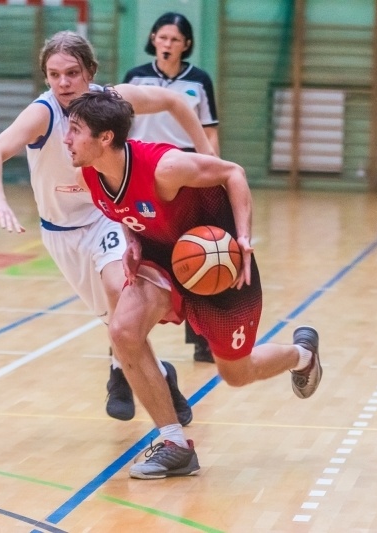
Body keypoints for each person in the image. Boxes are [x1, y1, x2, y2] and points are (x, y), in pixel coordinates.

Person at [64, 90, 322, 480]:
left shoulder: (164, 167)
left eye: (75, 130)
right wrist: (132, 239)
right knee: (123, 331)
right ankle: (174, 444)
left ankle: (302, 355)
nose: (66, 139)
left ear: (104, 139)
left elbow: (232, 172)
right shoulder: (90, 173)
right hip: (162, 261)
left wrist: (245, 239)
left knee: (236, 374)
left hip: (215, 265)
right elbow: (123, 206)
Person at [0, 31, 215, 426]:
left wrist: (205, 153)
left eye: (72, 73)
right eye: (54, 74)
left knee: (120, 289)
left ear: (91, 72)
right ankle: (155, 372)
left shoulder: (112, 100)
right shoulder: (43, 113)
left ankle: (126, 374)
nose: (63, 83)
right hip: (61, 231)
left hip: (108, 212)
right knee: (112, 318)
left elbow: (175, 100)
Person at [123, 12, 218, 363]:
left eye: (175, 39)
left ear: (186, 45)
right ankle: (128, 335)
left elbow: (209, 129)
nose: (168, 44)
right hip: (142, 173)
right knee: (142, 253)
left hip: (186, 171)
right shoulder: (136, 77)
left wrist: (213, 170)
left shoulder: (199, 81)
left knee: (198, 253)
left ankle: (202, 337)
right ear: (153, 39)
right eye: (162, 38)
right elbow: (121, 127)